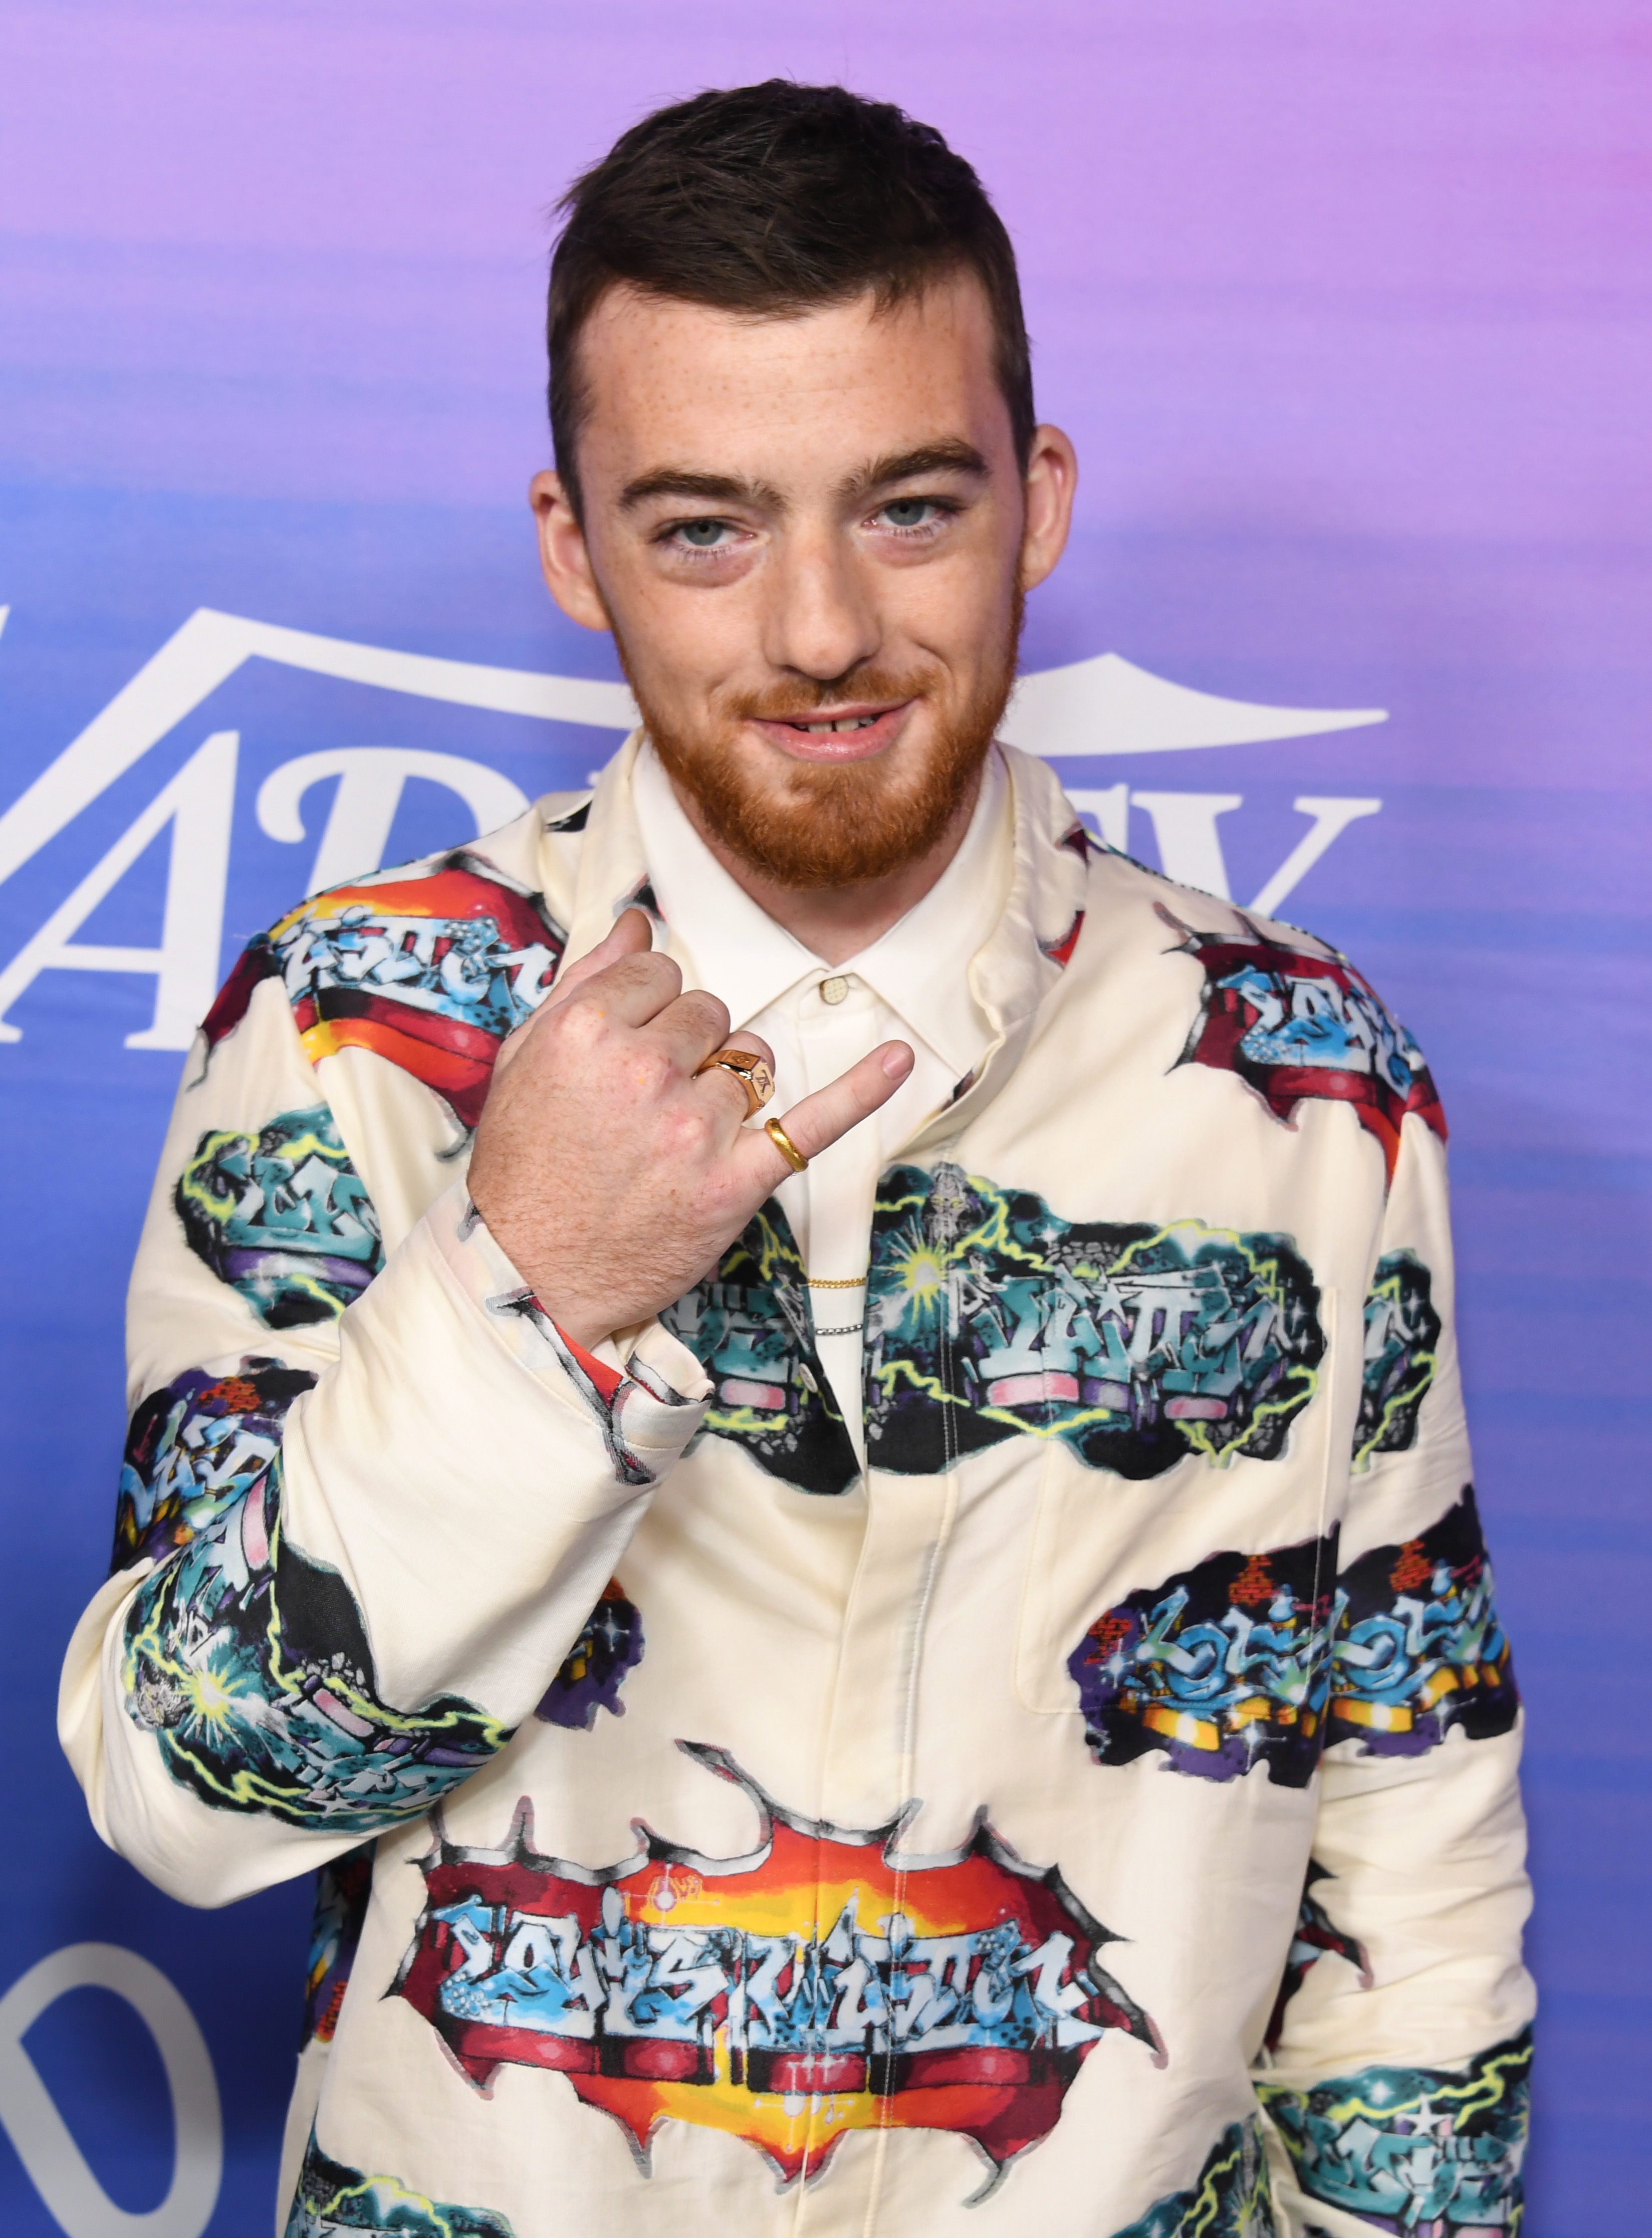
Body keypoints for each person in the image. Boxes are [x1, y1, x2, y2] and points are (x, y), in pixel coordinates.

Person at [61, 80, 1533, 2238]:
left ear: (1037, 499)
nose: (822, 627)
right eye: (704, 529)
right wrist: (529, 1293)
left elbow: (1409, 1837)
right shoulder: (357, 1023)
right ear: (573, 545)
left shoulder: (1307, 1074)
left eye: (908, 507)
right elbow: (182, 1793)